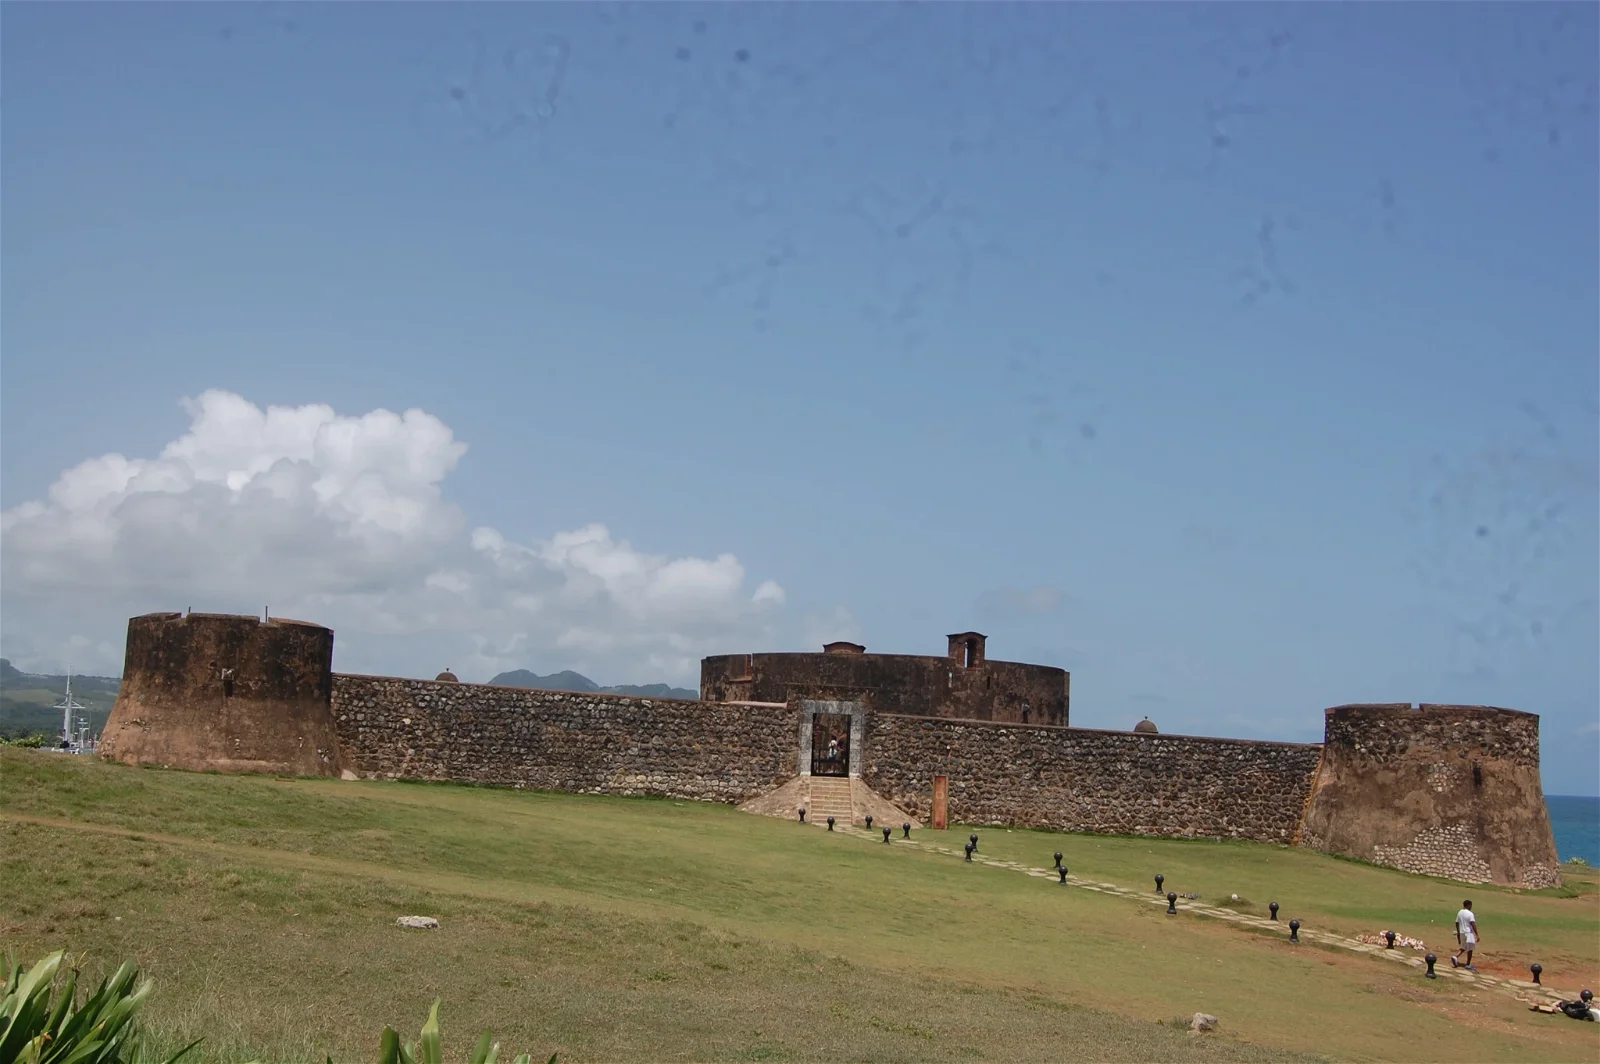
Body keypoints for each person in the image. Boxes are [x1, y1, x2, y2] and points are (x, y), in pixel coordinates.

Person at [1450, 899, 1478, 971]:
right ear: (1468, 905)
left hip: (1462, 932)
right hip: (1469, 933)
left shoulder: (1460, 912)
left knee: (1463, 947)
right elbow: (1473, 924)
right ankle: (1468, 964)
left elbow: (1456, 922)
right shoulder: (1470, 914)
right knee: (1470, 949)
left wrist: (1459, 933)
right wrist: (1477, 935)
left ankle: (1455, 957)